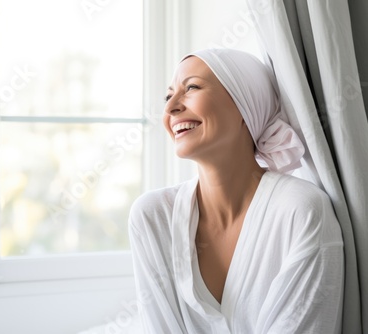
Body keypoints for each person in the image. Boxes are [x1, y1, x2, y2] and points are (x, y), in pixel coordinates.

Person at [128, 49, 344, 333]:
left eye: (191, 87)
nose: (170, 109)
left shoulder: (301, 211)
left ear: (245, 106)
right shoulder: (153, 217)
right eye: (168, 96)